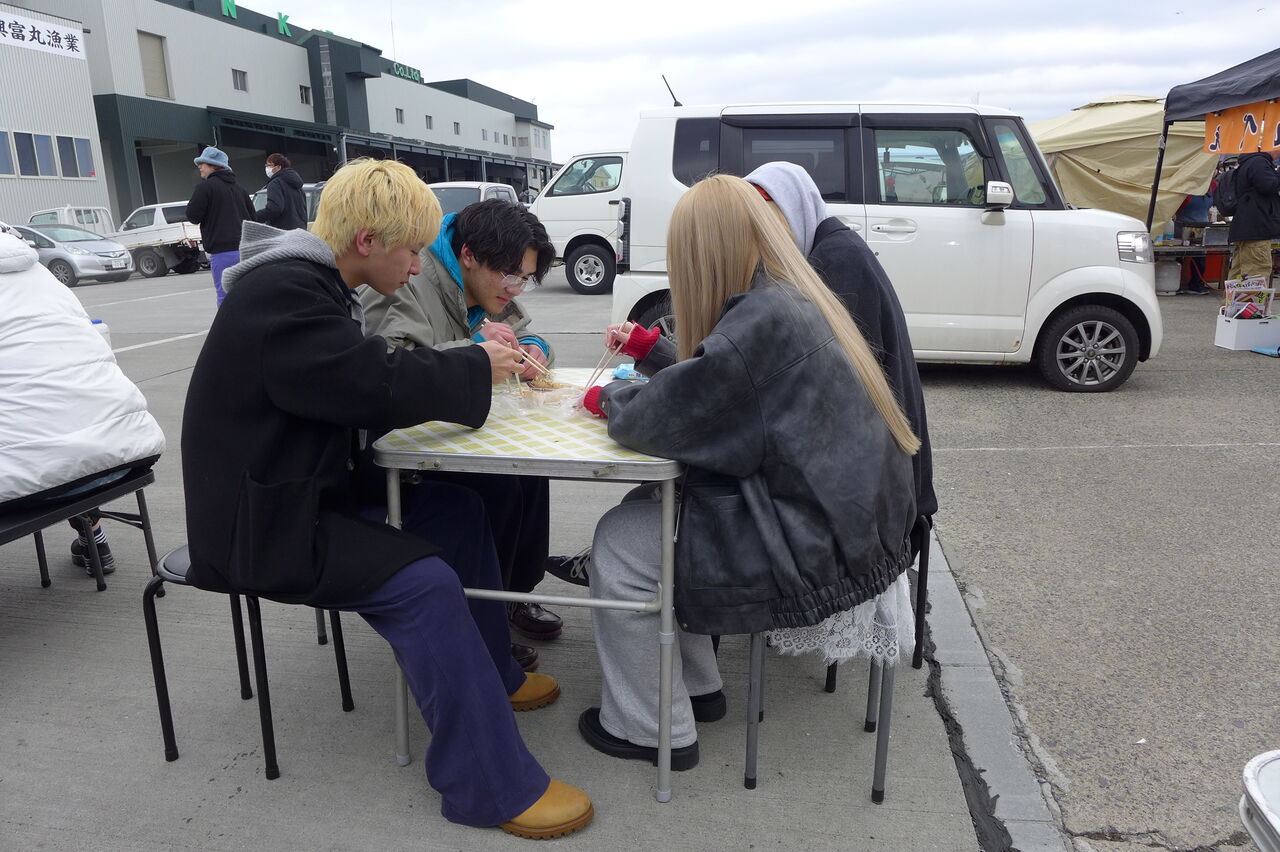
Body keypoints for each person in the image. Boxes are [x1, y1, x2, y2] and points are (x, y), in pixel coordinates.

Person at [179, 159, 592, 839]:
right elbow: (365, 381)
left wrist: (468, 360)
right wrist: (472, 363)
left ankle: (497, 674)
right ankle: (487, 786)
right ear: (367, 241)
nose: (418, 265)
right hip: (264, 527)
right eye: (411, 250)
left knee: (457, 510)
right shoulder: (285, 294)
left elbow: (354, 382)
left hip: (302, 493)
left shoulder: (309, 284)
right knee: (423, 584)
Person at [576, 175, 919, 769]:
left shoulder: (759, 321)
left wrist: (608, 398)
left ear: (700, 253)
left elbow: (660, 418)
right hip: (856, 527)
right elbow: (717, 391)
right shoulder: (790, 298)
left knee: (620, 544)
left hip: (818, 547)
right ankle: (698, 688)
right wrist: (651, 367)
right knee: (647, 510)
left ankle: (652, 729)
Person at [361, 199, 564, 666]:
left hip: (453, 423)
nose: (516, 289)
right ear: (468, 255)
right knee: (497, 485)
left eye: (525, 279)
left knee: (533, 469)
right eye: (510, 276)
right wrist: (473, 352)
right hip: (403, 440)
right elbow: (388, 367)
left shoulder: (488, 282)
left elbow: (521, 336)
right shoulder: (406, 277)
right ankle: (482, 618)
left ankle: (511, 594)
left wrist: (532, 350)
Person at [744, 161, 937, 526]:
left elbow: (836, 392)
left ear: (793, 209)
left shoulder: (835, 261)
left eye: (767, 226)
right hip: (880, 479)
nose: (763, 242)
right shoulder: (832, 248)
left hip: (884, 497)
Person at [0, 221, 165, 575]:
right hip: (123, 453)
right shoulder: (43, 277)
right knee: (63, 429)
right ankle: (95, 538)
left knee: (45, 448)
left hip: (34, 481)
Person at [185, 146, 254, 306]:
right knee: (248, 295)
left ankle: (229, 323)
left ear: (214, 166)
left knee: (225, 297)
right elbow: (253, 219)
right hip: (246, 252)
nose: (199, 167)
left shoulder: (205, 188)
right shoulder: (241, 190)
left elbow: (193, 216)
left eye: (202, 163)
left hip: (222, 252)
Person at [1226, 144, 1280, 282]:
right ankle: (1250, 297)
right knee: (1256, 275)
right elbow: (1268, 186)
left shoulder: (1250, 162)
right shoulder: (1259, 162)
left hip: (1247, 227)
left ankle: (1233, 297)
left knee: (1238, 277)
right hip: (1257, 228)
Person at [255, 153, 307, 231]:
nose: (267, 168)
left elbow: (274, 209)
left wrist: (254, 217)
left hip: (282, 231)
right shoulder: (298, 185)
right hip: (300, 231)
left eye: (269, 165)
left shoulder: (275, 183)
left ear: (279, 167)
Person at [1175, 191, 1214, 294]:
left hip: (1202, 228)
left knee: (1200, 258)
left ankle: (1196, 284)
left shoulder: (1210, 191)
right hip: (1183, 228)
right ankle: (1175, 284)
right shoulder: (1185, 191)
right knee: (1177, 257)